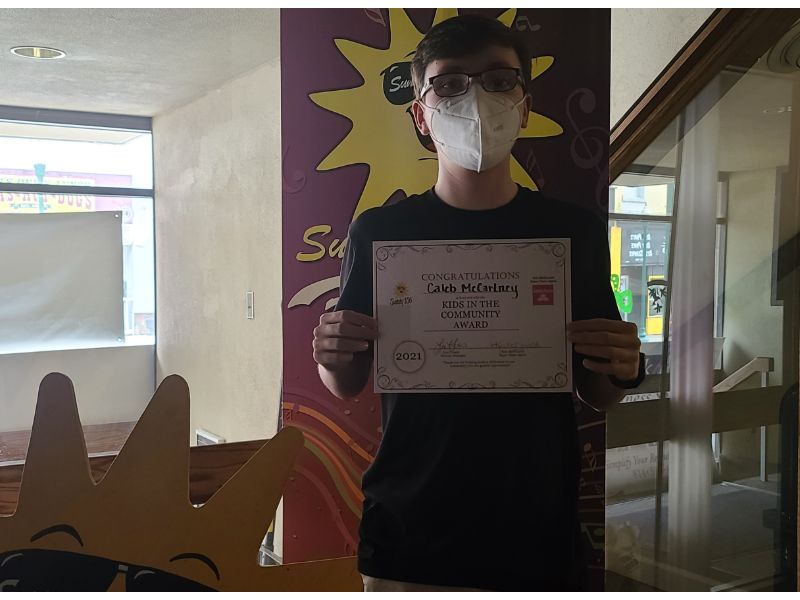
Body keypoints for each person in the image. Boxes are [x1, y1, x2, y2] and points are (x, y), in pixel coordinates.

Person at [312, 14, 644, 592]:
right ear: (420, 114)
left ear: (523, 105)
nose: (475, 98)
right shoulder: (380, 232)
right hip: (409, 530)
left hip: (536, 530)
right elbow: (346, 381)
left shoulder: (573, 232)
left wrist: (622, 363)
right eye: (448, 83)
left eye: (499, 80)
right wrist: (330, 352)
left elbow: (599, 391)